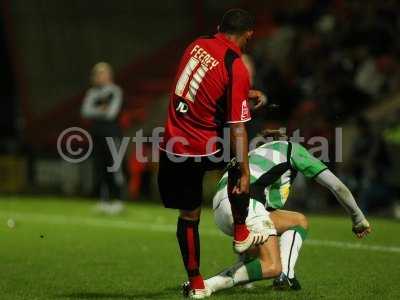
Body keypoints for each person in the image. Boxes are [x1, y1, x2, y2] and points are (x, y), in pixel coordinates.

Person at [158, 9, 267, 299]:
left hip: (173, 144)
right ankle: (241, 230)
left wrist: (243, 94)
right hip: (205, 145)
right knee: (238, 155)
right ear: (249, 35)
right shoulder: (237, 66)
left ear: (219, 27)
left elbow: (205, 89)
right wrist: (243, 171)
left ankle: (195, 284)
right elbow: (238, 128)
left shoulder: (196, 44)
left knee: (189, 217)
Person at [198, 130, 371, 295]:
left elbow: (267, 208)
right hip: (245, 203)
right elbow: (337, 186)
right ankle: (208, 285)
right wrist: (358, 218)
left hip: (219, 208)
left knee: (297, 220)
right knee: (272, 266)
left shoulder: (256, 152)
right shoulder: (292, 149)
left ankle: (283, 277)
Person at [81, 62, 124, 214]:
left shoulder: (115, 91)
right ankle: (104, 200)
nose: (98, 77)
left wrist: (96, 110)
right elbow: (85, 112)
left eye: (101, 73)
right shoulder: (92, 93)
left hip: (112, 133)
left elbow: (111, 113)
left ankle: (118, 200)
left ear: (108, 75)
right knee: (100, 167)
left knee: (115, 166)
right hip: (97, 134)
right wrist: (101, 110)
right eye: (96, 74)